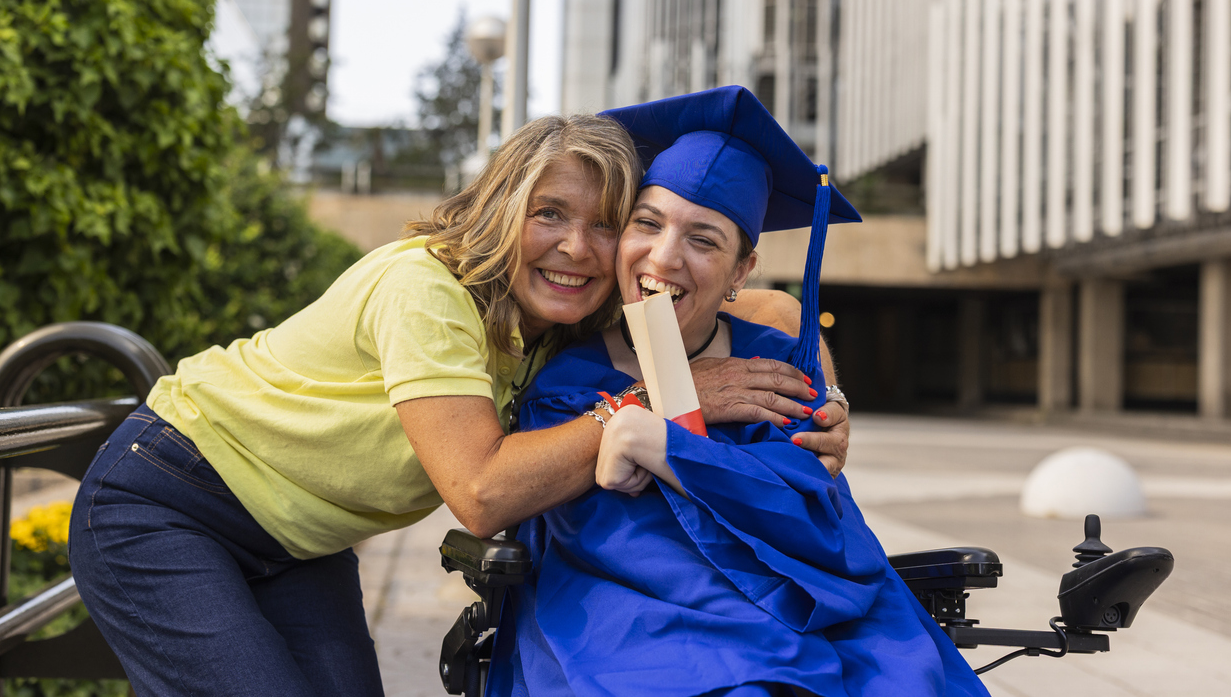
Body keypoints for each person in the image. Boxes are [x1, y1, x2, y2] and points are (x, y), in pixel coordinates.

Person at [68, 112, 846, 696]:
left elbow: (773, 311)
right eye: (550, 214)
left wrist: (829, 399)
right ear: (502, 207)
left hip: (298, 542)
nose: (577, 248)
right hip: (172, 502)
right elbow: (481, 491)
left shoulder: (557, 312)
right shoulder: (427, 289)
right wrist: (651, 396)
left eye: (605, 226)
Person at [486, 87, 989, 697]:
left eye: (704, 240)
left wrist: (660, 446)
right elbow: (595, 542)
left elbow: (817, 523)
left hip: (804, 610)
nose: (665, 257)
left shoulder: (772, 366)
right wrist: (640, 414)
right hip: (626, 624)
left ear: (740, 271)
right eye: (647, 224)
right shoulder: (568, 377)